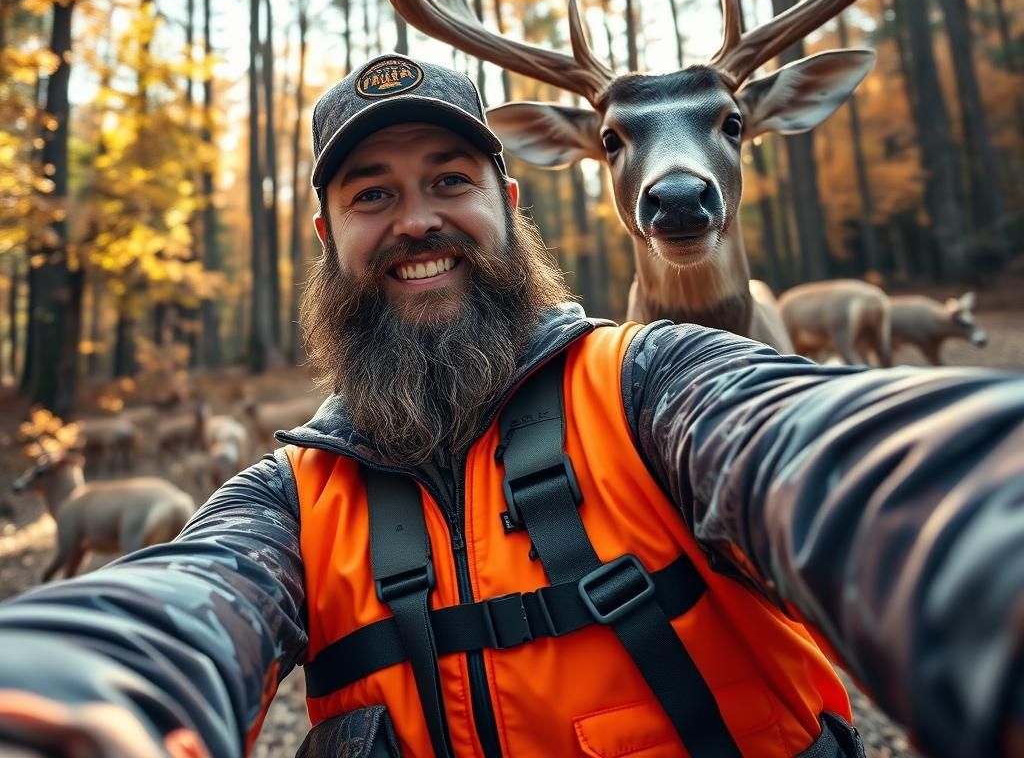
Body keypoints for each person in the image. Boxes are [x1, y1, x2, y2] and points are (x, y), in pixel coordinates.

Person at [0, 53, 1020, 758]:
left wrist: (983, 547)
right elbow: (170, 609)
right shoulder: (292, 501)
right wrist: (62, 694)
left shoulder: (652, 389)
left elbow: (854, 461)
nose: (416, 221)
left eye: (449, 179)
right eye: (370, 195)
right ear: (325, 233)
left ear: (507, 202)